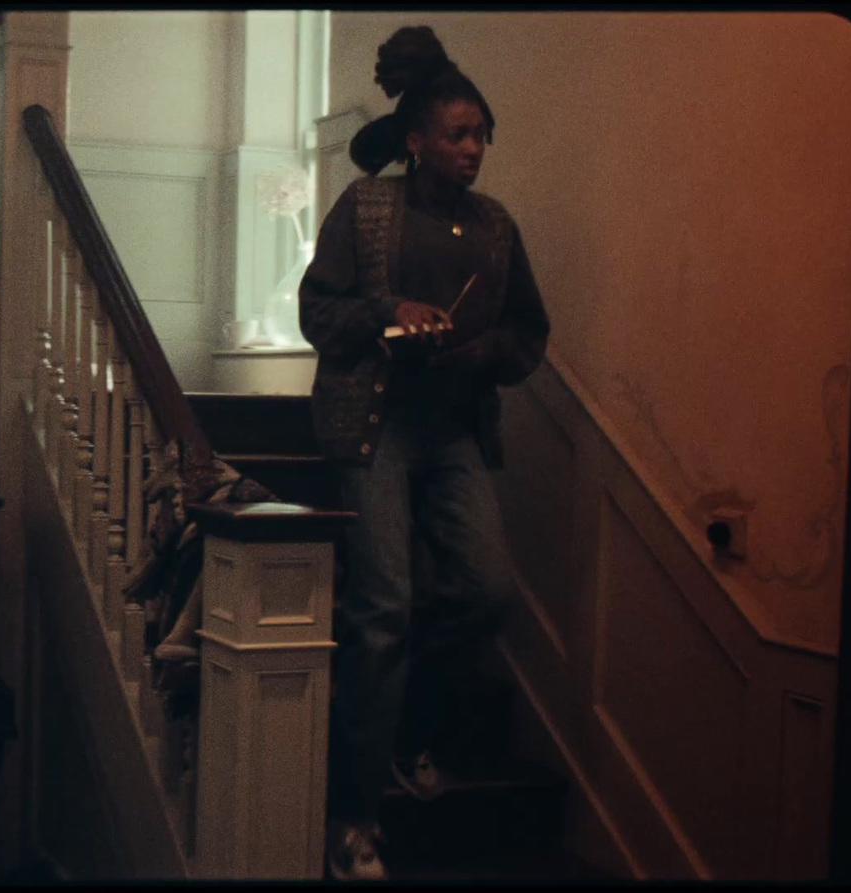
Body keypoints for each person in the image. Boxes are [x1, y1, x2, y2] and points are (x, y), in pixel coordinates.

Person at [298, 26, 550, 881]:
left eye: (482, 135)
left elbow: (528, 330)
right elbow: (318, 313)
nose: (474, 148)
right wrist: (388, 312)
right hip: (372, 427)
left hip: (454, 433)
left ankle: (406, 728)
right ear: (416, 141)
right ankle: (354, 818)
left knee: (485, 592)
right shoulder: (366, 208)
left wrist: (484, 352)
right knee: (382, 611)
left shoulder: (497, 226)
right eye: (457, 134)